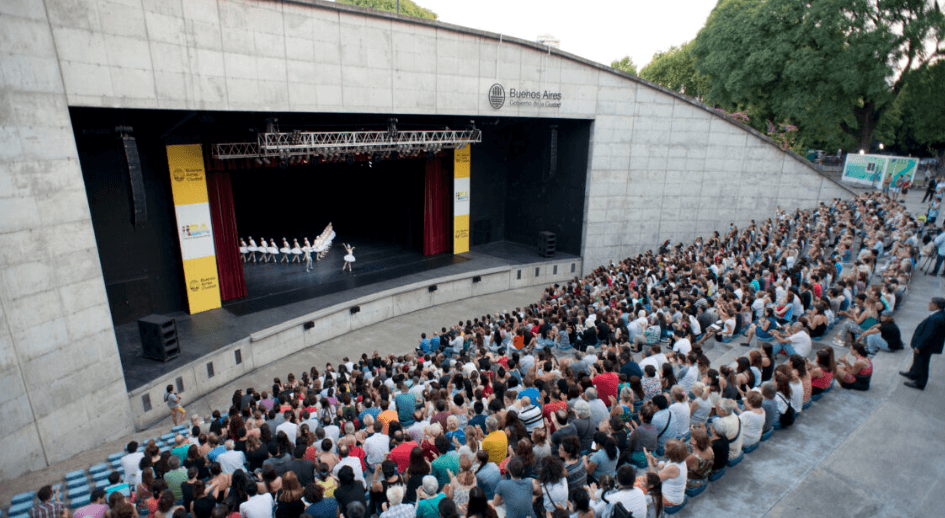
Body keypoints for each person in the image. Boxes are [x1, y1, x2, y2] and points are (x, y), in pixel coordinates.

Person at [901, 297, 945, 390]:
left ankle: (920, 383)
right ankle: (913, 373)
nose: (929, 305)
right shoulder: (938, 315)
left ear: (936, 305)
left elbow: (929, 334)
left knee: (923, 363)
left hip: (926, 346)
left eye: (930, 303)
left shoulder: (936, 318)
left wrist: (919, 346)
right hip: (925, 344)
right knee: (917, 360)